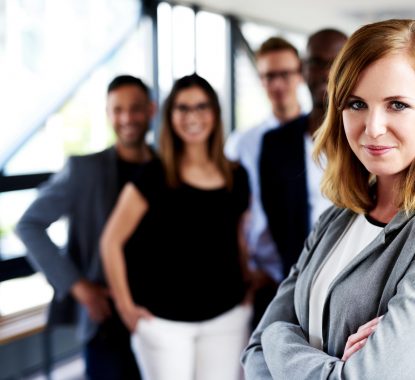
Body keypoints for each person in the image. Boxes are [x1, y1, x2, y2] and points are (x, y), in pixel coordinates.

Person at [242, 19, 415, 379]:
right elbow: (254, 353)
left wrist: (278, 337)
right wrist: (276, 338)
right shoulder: (339, 217)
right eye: (356, 103)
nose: (373, 127)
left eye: (396, 104)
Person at [100, 74, 252, 380]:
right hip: (163, 323)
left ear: (215, 113)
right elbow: (110, 242)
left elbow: (237, 239)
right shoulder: (153, 176)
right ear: (170, 116)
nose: (192, 116)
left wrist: (247, 290)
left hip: (228, 317)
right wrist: (126, 307)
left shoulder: (237, 176)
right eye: (182, 108)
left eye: (201, 106)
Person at [16, 75, 155, 380]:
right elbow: (29, 225)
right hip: (106, 321)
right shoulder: (85, 170)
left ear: (151, 110)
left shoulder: (166, 168)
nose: (127, 118)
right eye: (117, 110)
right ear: (108, 114)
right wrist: (78, 286)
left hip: (159, 317)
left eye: (136, 108)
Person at [224, 36, 305, 327]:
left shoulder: (322, 137)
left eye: (285, 74)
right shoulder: (242, 143)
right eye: (269, 76)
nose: (278, 84)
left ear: (300, 75)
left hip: (314, 268)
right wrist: (246, 267)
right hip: (264, 274)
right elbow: (229, 211)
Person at [259, 29, 347, 279]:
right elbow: (278, 223)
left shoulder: (370, 140)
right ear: (303, 70)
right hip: (297, 276)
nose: (327, 73)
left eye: (337, 63)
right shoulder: (275, 143)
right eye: (317, 63)